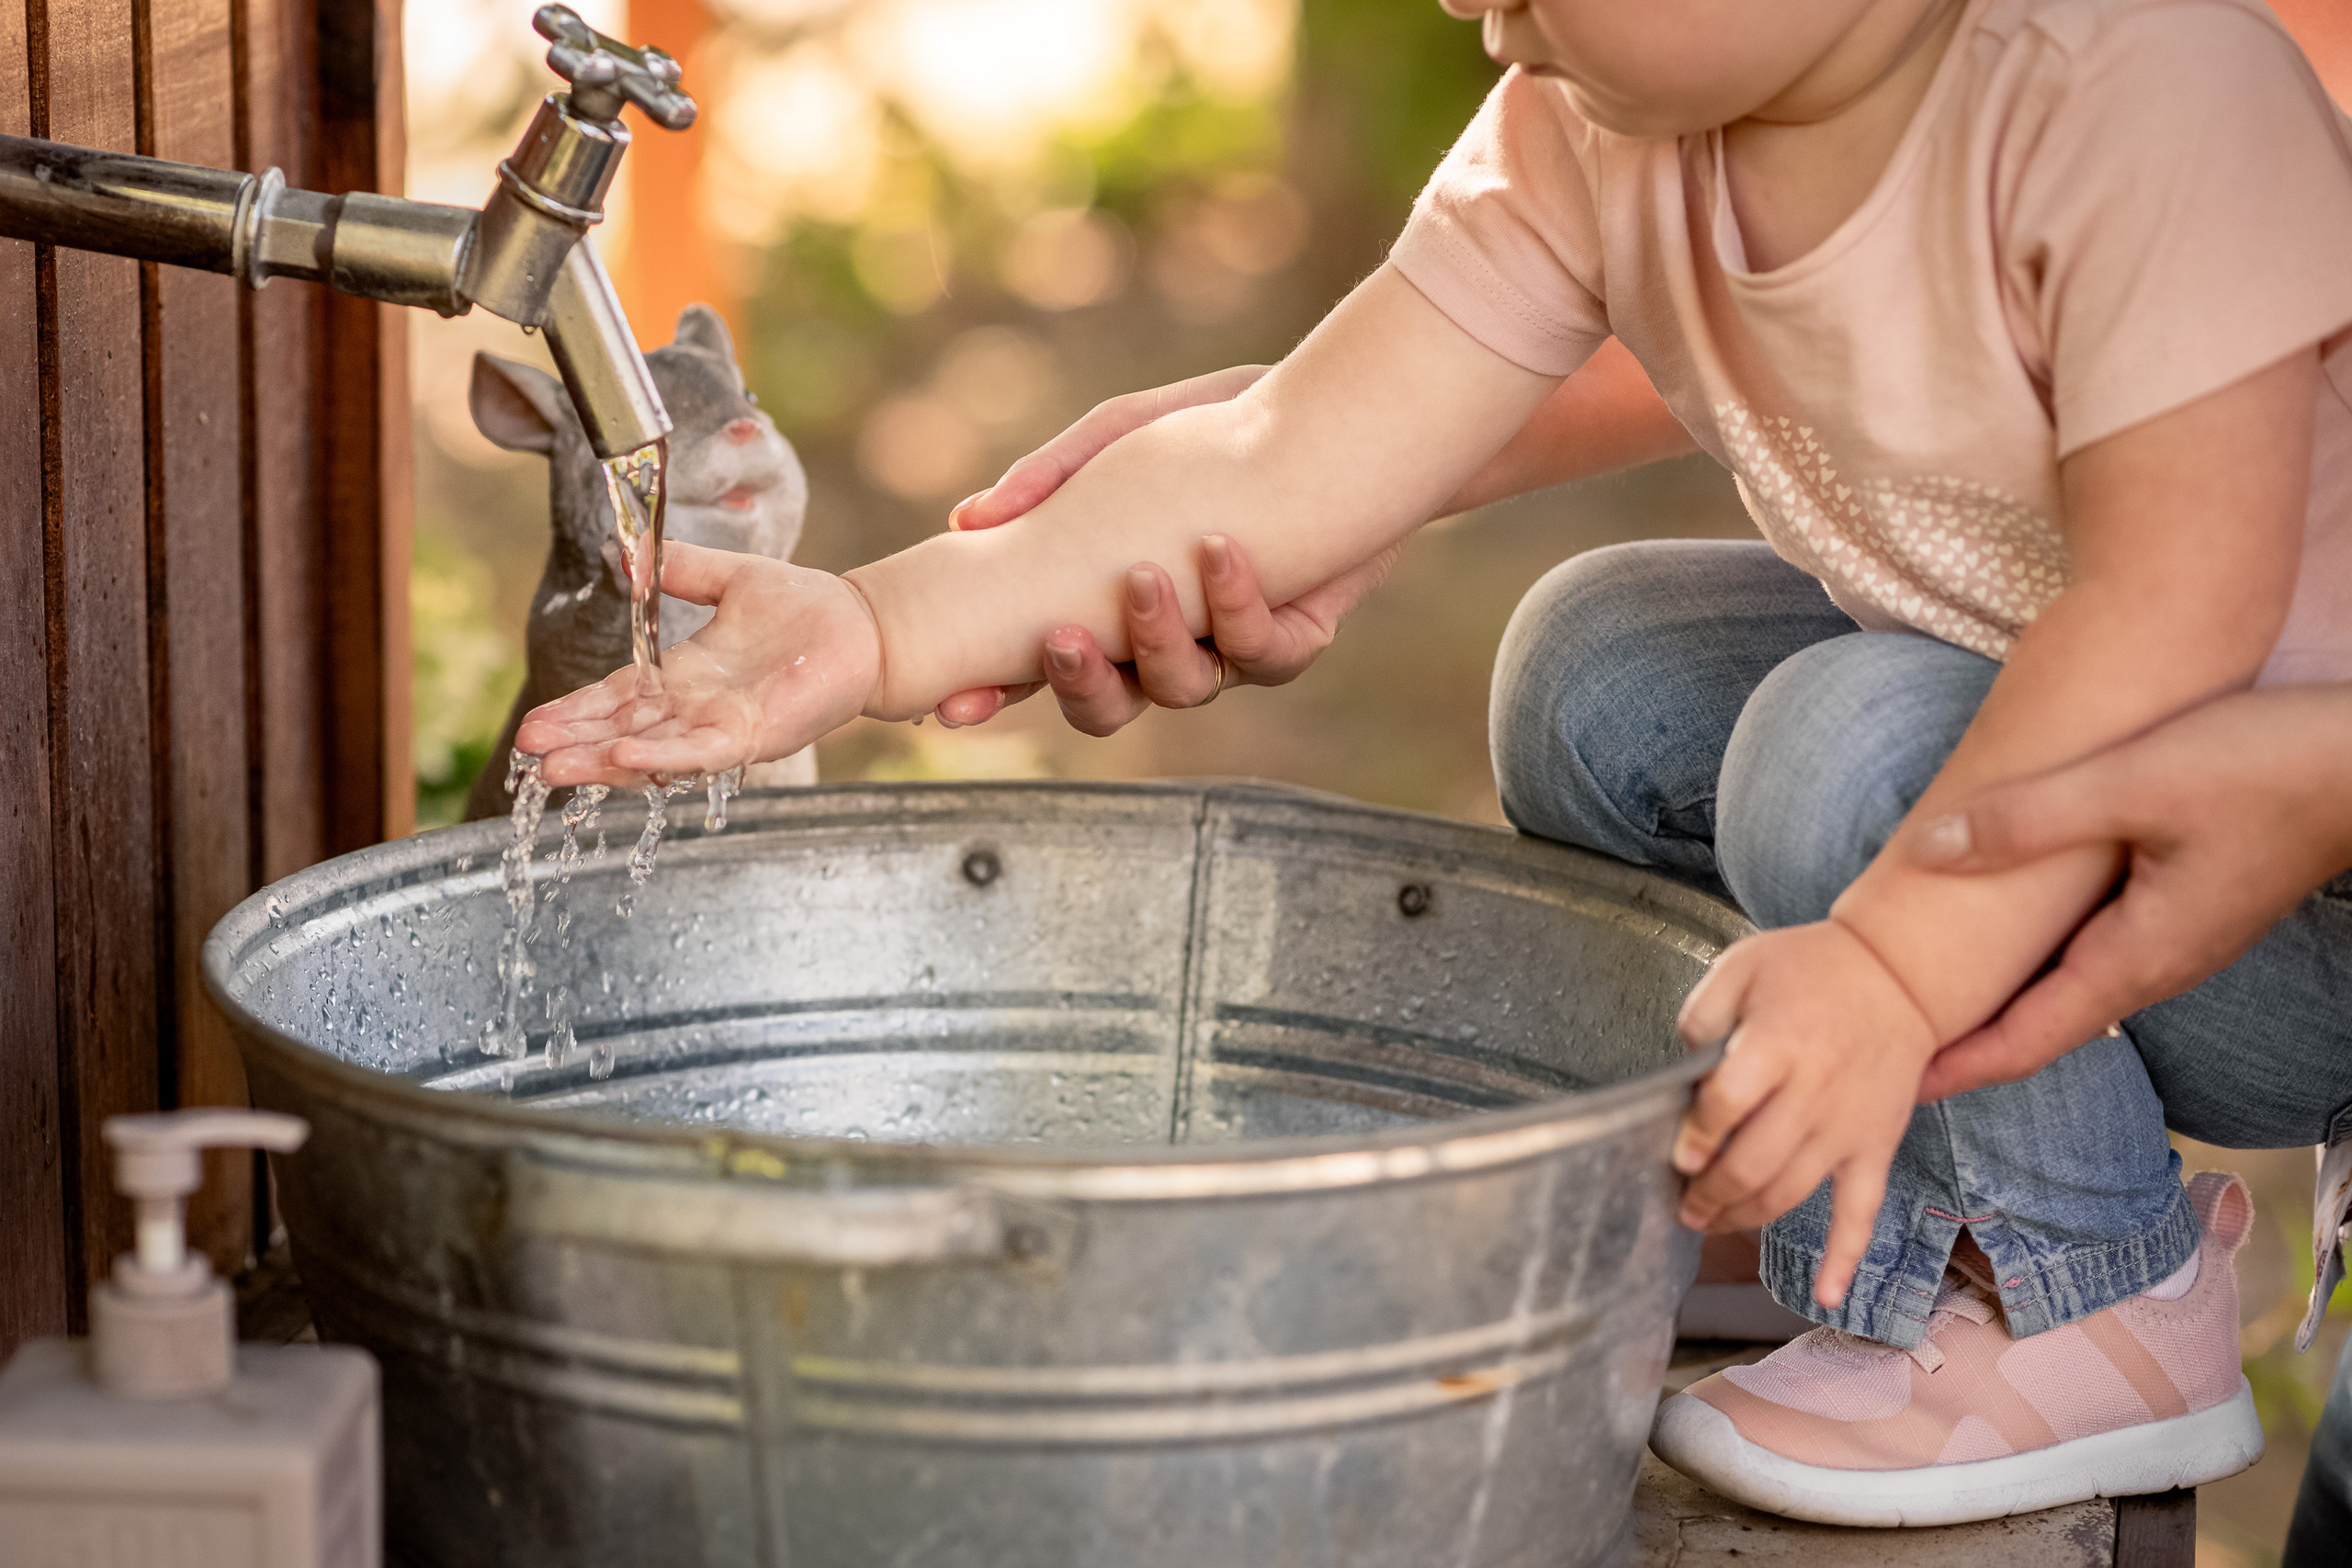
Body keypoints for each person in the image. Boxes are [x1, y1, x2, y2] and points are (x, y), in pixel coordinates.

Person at [518, 0, 2352, 1527]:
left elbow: (2177, 613)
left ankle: (2084, 1282)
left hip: (2290, 898)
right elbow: (1277, 454)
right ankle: (1836, 1193)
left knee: (1840, 740)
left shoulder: (2132, 88)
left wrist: (1881, 961)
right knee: (1595, 670)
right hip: (2075, 799)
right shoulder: (1600, 120)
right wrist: (874, 626)